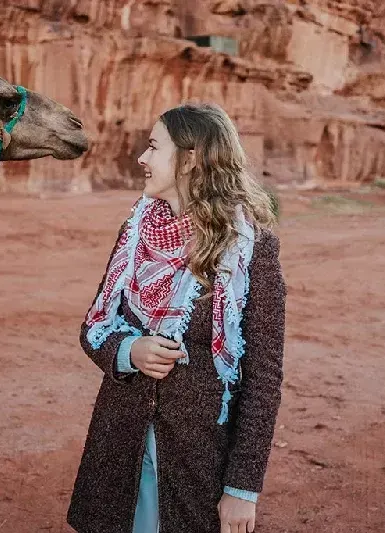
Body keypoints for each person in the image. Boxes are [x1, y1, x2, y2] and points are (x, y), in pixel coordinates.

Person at [67, 102, 286, 533]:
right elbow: (95, 327)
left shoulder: (252, 248)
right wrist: (129, 351)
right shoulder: (136, 231)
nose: (142, 159)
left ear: (190, 159)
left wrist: (242, 488)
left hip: (197, 456)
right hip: (120, 444)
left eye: (153, 147)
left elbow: (263, 375)